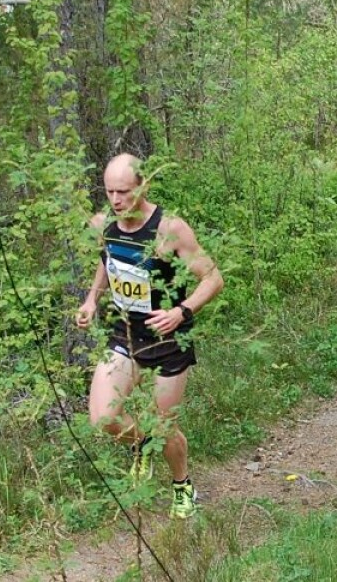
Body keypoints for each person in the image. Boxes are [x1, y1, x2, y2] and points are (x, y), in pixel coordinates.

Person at [75, 153, 224, 519]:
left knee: (164, 425)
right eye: (109, 191)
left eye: (123, 191)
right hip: (125, 333)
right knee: (102, 418)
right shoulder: (103, 223)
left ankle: (182, 483)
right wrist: (92, 298)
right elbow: (105, 259)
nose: (116, 200)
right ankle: (143, 445)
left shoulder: (169, 229)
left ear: (143, 186)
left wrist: (181, 312)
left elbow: (213, 278)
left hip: (167, 341)